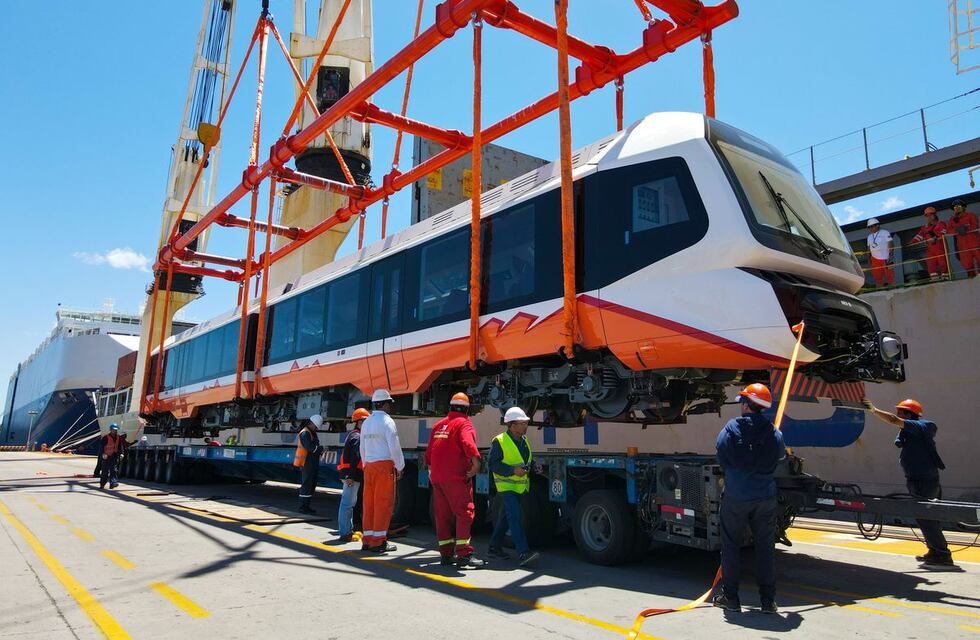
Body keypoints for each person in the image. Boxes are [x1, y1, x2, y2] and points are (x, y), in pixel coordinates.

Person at [713, 383, 786, 614]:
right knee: (765, 548)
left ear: (745, 405)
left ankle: (731, 599)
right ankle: (768, 601)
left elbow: (721, 456)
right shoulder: (774, 432)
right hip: (764, 497)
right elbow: (780, 456)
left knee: (731, 547)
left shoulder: (731, 428)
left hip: (736, 496)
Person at [862, 397, 953, 567]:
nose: (897, 414)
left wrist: (873, 410)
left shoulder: (923, 426)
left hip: (924, 480)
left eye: (900, 411)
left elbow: (893, 420)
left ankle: (942, 554)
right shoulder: (908, 430)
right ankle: (935, 550)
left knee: (926, 516)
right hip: (916, 479)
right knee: (925, 516)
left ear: (908, 413)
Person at [425, 392, 485, 568]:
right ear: (467, 409)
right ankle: (464, 554)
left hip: (437, 478)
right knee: (464, 513)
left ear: (450, 407)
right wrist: (476, 464)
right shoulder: (464, 423)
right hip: (456, 477)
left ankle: (445, 554)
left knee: (442, 516)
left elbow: (429, 454)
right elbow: (468, 444)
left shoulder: (438, 425)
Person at [487, 406, 540, 566]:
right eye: (523, 423)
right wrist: (512, 470)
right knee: (515, 516)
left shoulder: (524, 441)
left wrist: (535, 465)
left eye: (526, 422)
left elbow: (526, 461)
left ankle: (494, 547)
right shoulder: (500, 441)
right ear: (512, 425)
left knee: (506, 517)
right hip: (506, 486)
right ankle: (523, 552)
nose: (526, 425)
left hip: (520, 487)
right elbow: (493, 463)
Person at [359, 389, 405, 554]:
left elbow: (362, 448)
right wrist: (400, 466)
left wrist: (365, 465)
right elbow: (394, 446)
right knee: (383, 504)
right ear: (385, 404)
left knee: (369, 504)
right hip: (384, 466)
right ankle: (378, 542)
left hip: (369, 466)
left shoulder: (366, 422)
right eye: (390, 404)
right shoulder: (387, 422)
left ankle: (368, 540)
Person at [333, 408, 370, 543]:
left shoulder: (354, 435)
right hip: (351, 475)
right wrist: (350, 475)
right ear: (359, 422)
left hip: (351, 474)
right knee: (347, 504)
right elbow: (355, 457)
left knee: (349, 504)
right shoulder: (357, 436)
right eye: (366, 421)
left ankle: (347, 530)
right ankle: (345, 533)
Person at [294, 415, 324, 515]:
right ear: (312, 423)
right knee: (307, 484)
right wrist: (321, 449)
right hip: (307, 462)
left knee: (311, 484)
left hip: (312, 462)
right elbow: (310, 447)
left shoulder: (312, 433)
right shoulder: (305, 433)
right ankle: (303, 507)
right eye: (316, 426)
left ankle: (307, 506)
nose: (316, 428)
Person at [911, 206, 949, 279]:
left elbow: (943, 232)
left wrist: (936, 237)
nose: (929, 217)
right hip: (930, 249)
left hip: (940, 247)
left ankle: (945, 278)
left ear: (934, 215)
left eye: (930, 215)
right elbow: (919, 236)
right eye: (927, 215)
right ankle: (934, 279)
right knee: (931, 264)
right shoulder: (924, 227)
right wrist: (911, 243)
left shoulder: (941, 223)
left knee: (943, 263)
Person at [948, 199, 979, 277]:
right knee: (967, 264)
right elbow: (949, 231)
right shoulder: (952, 220)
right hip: (962, 246)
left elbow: (975, 226)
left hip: (974, 243)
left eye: (959, 206)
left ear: (963, 207)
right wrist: (957, 230)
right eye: (955, 207)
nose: (957, 208)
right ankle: (971, 280)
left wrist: (966, 228)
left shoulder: (971, 215)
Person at [865, 218, 894, 287]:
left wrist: (890, 256)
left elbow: (891, 244)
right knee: (877, 276)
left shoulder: (885, 232)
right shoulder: (869, 236)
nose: (870, 228)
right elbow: (868, 248)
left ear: (877, 225)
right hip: (874, 259)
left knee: (890, 275)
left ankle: (893, 288)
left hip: (886, 257)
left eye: (872, 226)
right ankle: (879, 288)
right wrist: (869, 259)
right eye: (869, 227)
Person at [98, 424, 125, 490]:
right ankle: (102, 484)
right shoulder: (105, 437)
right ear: (110, 430)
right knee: (105, 471)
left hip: (114, 456)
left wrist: (121, 453)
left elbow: (120, 446)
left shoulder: (118, 437)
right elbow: (101, 447)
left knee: (114, 470)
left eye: (116, 430)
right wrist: (102, 454)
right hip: (106, 456)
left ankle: (113, 483)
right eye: (113, 430)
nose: (115, 431)